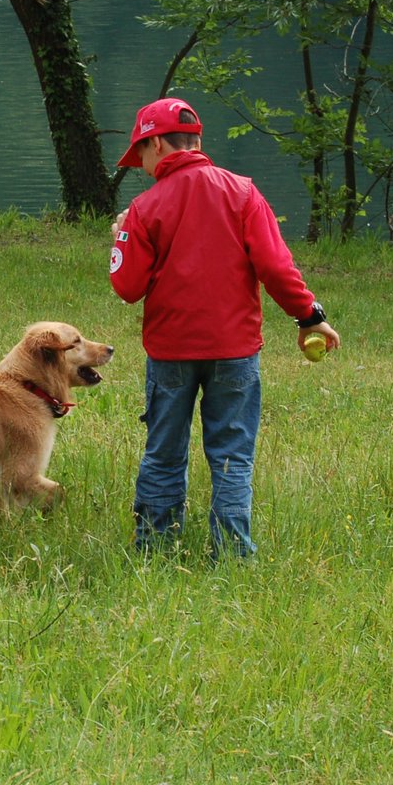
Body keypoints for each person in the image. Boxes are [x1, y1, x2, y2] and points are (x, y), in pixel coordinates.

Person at [108, 97, 340, 558]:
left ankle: (154, 549)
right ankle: (232, 554)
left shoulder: (145, 207)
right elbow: (276, 267)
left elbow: (127, 287)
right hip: (234, 352)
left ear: (156, 144)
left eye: (141, 156)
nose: (142, 166)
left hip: (171, 354)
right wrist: (309, 316)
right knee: (233, 456)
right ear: (195, 141)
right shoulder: (242, 193)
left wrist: (121, 235)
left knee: (164, 453)